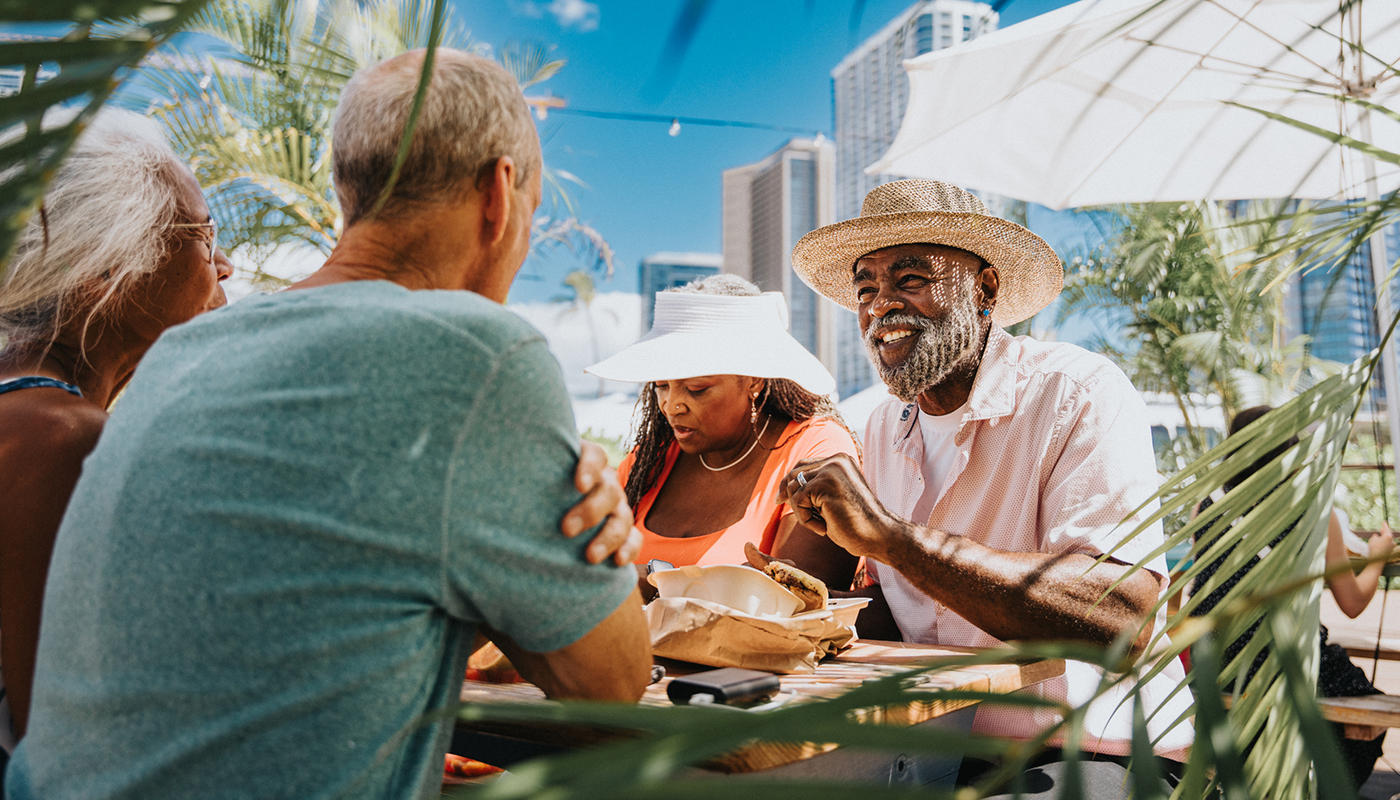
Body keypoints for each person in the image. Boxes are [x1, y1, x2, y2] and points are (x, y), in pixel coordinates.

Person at [7, 50, 651, 799]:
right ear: (500, 195)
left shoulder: (181, 356)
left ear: (349, 195)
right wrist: (598, 533)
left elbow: (318, 621)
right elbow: (612, 687)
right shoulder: (477, 353)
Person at [777, 179, 1194, 796]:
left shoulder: (1075, 392)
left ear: (985, 288)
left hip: (1095, 751)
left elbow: (1120, 616)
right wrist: (788, 607)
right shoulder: (880, 426)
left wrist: (894, 541)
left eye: (910, 281)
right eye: (866, 289)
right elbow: (917, 619)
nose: (880, 307)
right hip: (941, 744)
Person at [0, 111, 235, 764]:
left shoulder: (31, 416)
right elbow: (75, 746)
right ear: (101, 267)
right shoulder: (59, 441)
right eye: (203, 233)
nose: (227, 264)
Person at [586, 275, 860, 589]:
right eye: (661, 386)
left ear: (754, 380)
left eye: (696, 389)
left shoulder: (815, 448)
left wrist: (647, 579)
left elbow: (802, 600)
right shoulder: (650, 461)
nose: (672, 405)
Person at [1189, 405, 1392, 788]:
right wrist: (1378, 557)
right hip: (1284, 660)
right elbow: (1352, 603)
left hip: (1216, 663)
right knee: (1366, 708)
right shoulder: (1313, 509)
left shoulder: (1209, 505)